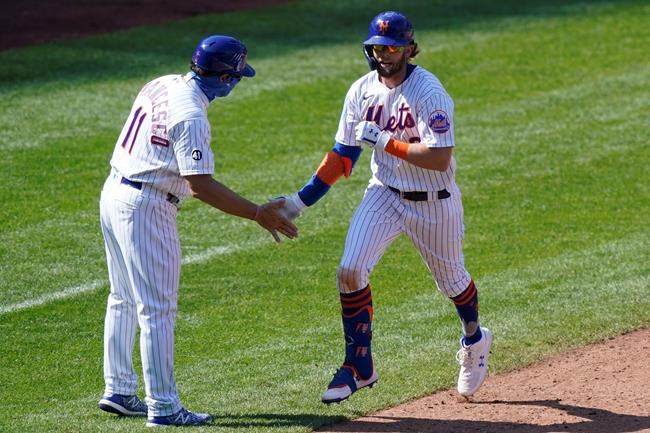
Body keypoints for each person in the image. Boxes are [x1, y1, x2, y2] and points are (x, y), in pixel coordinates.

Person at [278, 11, 492, 404]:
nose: (384, 54)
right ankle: (358, 366)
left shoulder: (429, 92)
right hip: (384, 193)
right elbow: (343, 155)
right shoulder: (361, 91)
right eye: (378, 47)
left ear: (409, 48)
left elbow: (440, 157)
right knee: (350, 269)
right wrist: (297, 202)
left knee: (453, 281)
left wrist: (387, 142)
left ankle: (475, 341)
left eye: (393, 47)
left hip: (434, 202)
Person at [98, 35, 298, 427]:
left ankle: (119, 389)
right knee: (157, 310)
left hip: (114, 191)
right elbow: (200, 185)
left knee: (122, 297)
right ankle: (164, 406)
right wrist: (258, 213)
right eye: (236, 76)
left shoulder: (162, 82)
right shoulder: (192, 115)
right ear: (224, 78)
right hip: (146, 207)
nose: (237, 82)